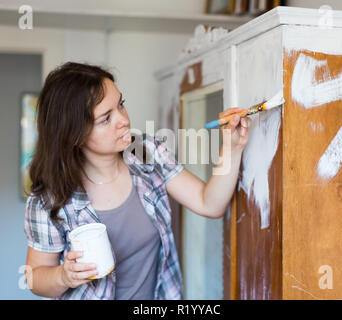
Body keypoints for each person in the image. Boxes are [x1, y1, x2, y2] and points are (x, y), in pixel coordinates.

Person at [24, 62, 250, 300]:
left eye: (120, 105)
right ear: (75, 135)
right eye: (105, 118)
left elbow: (209, 204)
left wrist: (232, 148)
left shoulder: (148, 153)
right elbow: (34, 276)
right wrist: (63, 276)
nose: (122, 120)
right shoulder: (49, 201)